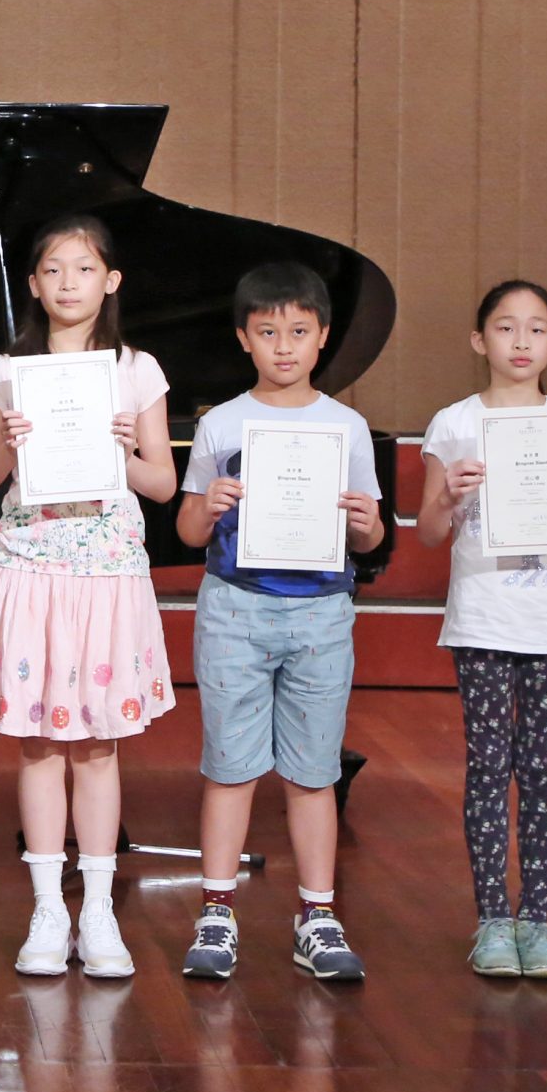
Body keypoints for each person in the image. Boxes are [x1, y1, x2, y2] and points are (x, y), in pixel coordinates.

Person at [0, 213, 177, 978]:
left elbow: (162, 483)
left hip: (107, 576)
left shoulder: (136, 368)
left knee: (100, 745)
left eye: (83, 268)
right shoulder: (11, 369)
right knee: (42, 743)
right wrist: (7, 441)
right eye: (53, 269)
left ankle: (100, 910)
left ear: (110, 281)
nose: (68, 282)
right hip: (32, 571)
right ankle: (48, 909)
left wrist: (121, 454)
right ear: (34, 283)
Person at [173, 262, 388, 983]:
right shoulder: (221, 423)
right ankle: (216, 911)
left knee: (313, 771)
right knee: (229, 767)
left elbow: (369, 536)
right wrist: (209, 506)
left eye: (299, 331)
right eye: (268, 332)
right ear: (244, 338)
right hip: (235, 608)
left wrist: (366, 525)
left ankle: (317, 916)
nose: (284, 346)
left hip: (322, 613)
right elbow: (188, 529)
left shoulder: (347, 427)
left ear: (323, 336)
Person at [414, 280, 547, 980]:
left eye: (536, 329)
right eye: (505, 327)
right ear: (480, 340)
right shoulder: (454, 422)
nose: (521, 341)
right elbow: (429, 532)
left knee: (541, 770)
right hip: (482, 616)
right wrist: (450, 494)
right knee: (486, 766)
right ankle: (492, 922)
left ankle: (537, 920)